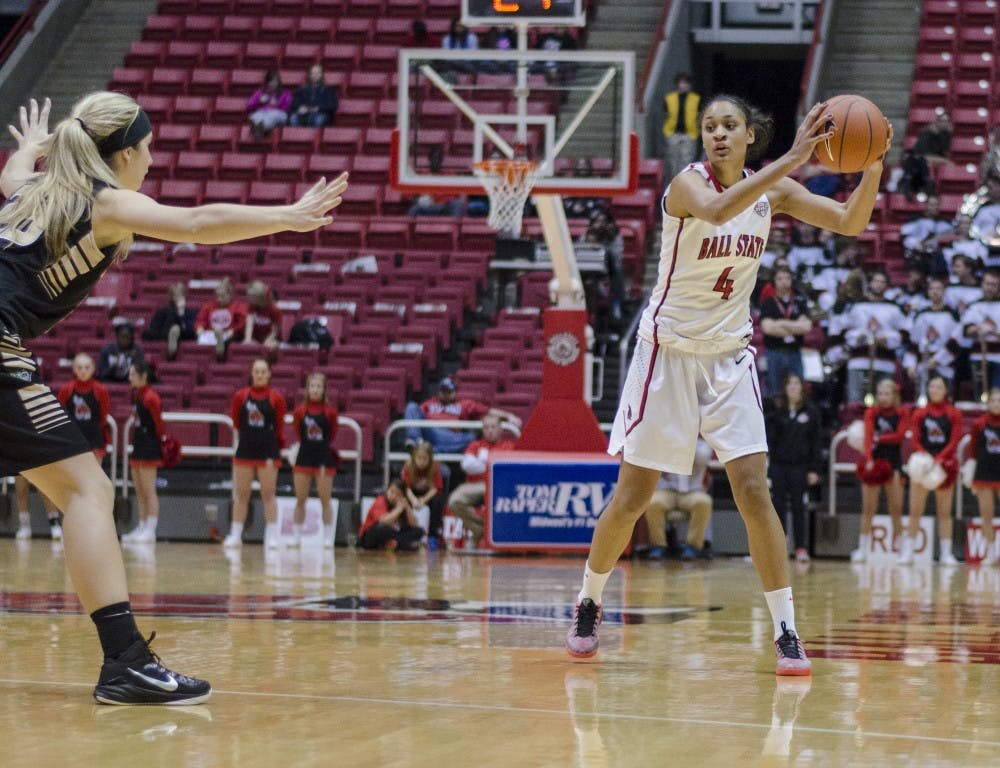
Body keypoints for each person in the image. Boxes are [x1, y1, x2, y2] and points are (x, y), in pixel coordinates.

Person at [0, 90, 343, 704]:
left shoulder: (34, 195)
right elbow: (196, 224)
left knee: (83, 490)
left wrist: (27, 148)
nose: (153, 161)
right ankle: (126, 662)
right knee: (89, 490)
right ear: (124, 153)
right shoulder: (103, 202)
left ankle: (126, 661)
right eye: (150, 150)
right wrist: (285, 215)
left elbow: (14, 176)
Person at [565, 94, 891, 675]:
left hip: (729, 356)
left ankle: (787, 630)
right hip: (666, 352)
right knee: (633, 497)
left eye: (729, 125)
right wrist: (793, 157)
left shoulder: (774, 190)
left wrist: (871, 169)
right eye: (709, 126)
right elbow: (717, 213)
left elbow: (850, 221)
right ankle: (589, 599)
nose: (717, 134)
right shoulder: (686, 187)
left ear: (749, 135)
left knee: (753, 489)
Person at [225, 358, 287, 550]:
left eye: (263, 371)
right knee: (241, 494)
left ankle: (272, 536)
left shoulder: (277, 398)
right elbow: (236, 422)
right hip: (245, 448)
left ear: (269, 374)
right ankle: (235, 534)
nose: (260, 375)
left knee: (268, 494)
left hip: (268, 449)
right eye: (256, 371)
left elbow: (279, 426)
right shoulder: (240, 396)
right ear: (251, 373)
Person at [899, 374, 962, 566]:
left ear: (946, 391)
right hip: (923, 464)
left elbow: (955, 440)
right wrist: (926, 459)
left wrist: (940, 460)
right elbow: (915, 440)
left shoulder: (954, 413)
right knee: (915, 510)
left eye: (938, 387)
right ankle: (908, 551)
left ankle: (945, 553)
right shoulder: (919, 413)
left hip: (944, 466)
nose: (934, 390)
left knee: (944, 512)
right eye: (932, 387)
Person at [765, 374, 823, 564]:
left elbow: (816, 443)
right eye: (789, 383)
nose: (793, 386)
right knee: (777, 506)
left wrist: (814, 469)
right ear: (784, 387)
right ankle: (779, 546)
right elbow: (769, 439)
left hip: (800, 467)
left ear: (802, 387)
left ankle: (800, 547)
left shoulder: (811, 411)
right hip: (778, 465)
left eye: (796, 383)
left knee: (799, 507)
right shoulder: (777, 411)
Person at [850, 379, 907, 563]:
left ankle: (900, 547)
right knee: (868, 507)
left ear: (894, 396)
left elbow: (898, 436)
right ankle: (862, 548)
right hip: (873, 462)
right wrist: (868, 459)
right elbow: (867, 438)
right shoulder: (871, 413)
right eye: (880, 394)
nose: (882, 397)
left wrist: (879, 438)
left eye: (887, 394)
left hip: (894, 463)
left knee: (896, 508)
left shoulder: (902, 413)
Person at [446, 413, 516, 547]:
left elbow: (508, 470)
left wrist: (483, 460)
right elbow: (467, 466)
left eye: (493, 427)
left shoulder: (509, 446)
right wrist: (493, 462)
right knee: (454, 501)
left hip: (499, 487)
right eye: (486, 427)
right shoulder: (475, 445)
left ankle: (483, 532)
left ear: (500, 429)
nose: (489, 430)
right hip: (476, 486)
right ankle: (481, 530)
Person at [403, 376, 521, 455]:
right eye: (442, 391)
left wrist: (509, 416)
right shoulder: (430, 403)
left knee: (471, 438)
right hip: (431, 432)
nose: (445, 394)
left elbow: (488, 411)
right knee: (411, 406)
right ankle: (415, 443)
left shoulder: (464, 404)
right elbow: (414, 414)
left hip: (452, 436)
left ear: (455, 392)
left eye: (448, 391)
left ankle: (430, 450)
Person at [639, 438, 713, 560]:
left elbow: (702, 459)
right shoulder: (663, 442)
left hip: (692, 492)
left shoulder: (703, 446)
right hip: (667, 490)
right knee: (653, 503)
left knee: (703, 502)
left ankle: (693, 546)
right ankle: (658, 546)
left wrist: (685, 442)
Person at [841, 270, 908, 404]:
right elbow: (844, 329)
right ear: (870, 283)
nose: (878, 285)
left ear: (887, 286)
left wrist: (888, 340)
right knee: (856, 402)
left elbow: (904, 333)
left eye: (882, 282)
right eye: (876, 281)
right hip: (859, 360)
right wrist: (857, 338)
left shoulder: (894, 308)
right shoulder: (856, 306)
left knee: (883, 404)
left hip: (884, 362)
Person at [290, 371, 339, 548]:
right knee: (300, 499)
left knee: (325, 499)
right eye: (312, 386)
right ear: (307, 389)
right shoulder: (300, 411)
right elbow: (298, 431)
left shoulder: (330, 413)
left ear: (324, 390)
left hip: (323, 457)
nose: (315, 389)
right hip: (304, 456)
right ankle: (296, 537)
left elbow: (332, 433)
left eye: (319, 386)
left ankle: (327, 538)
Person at [120, 359, 163, 544]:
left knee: (149, 490)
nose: (129, 378)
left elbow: (159, 426)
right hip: (138, 444)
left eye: (132, 375)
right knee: (138, 490)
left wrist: (158, 443)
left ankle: (151, 530)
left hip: (149, 446)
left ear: (143, 376)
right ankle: (142, 525)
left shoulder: (151, 397)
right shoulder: (138, 395)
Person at [759, 265, 812, 396]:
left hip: (795, 353)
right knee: (774, 392)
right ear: (774, 282)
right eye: (780, 278)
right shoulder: (768, 303)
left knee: (797, 392)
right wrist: (795, 326)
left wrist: (780, 323)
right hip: (774, 353)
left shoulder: (800, 302)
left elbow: (806, 327)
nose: (784, 281)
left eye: (787, 278)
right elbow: (767, 328)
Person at [904, 276, 958, 397]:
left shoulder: (952, 315)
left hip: (944, 365)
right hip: (923, 365)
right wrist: (910, 364)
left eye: (938, 289)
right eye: (932, 289)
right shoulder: (920, 315)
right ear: (927, 292)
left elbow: (956, 341)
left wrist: (937, 359)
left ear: (944, 292)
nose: (935, 292)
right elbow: (913, 342)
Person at [968, 387, 1000, 566]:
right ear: (988, 403)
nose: (997, 404)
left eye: (999, 400)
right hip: (984, 473)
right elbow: (973, 449)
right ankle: (990, 552)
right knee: (986, 515)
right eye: (993, 400)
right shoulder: (978, 423)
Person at [357, 478, 424, 551]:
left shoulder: (402, 503)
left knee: (419, 531)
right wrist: (399, 509)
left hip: (392, 535)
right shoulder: (380, 501)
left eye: (398, 494)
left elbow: (414, 524)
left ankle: (393, 544)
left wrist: (407, 507)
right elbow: (384, 522)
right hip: (369, 536)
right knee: (383, 528)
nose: (393, 496)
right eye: (391, 491)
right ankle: (399, 545)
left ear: (403, 496)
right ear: (387, 490)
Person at [401, 440, 445, 548]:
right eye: (419, 458)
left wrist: (423, 500)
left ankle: (433, 537)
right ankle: (405, 535)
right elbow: (405, 487)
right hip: (411, 493)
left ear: (430, 459)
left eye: (425, 459)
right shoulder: (408, 466)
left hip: (428, 493)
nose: (421, 462)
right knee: (402, 500)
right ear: (414, 458)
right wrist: (414, 500)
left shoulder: (435, 467)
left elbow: (435, 488)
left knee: (438, 501)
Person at [195, 276, 247, 361]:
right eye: (217, 296)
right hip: (211, 335)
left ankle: (221, 351)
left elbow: (242, 323)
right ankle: (218, 346)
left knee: (230, 340)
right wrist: (199, 328)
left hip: (229, 335)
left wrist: (234, 331)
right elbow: (201, 320)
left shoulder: (238, 306)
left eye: (222, 297)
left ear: (230, 295)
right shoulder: (208, 306)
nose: (219, 299)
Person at [661, 72, 701, 183]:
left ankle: (684, 184)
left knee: (686, 160)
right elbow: (666, 115)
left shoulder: (696, 99)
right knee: (673, 161)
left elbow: (699, 115)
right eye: (681, 83)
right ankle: (674, 184)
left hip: (689, 134)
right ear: (677, 84)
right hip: (673, 133)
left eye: (685, 83)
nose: (683, 85)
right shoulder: (669, 99)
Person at [142, 281, 196, 359]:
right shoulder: (162, 311)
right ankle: (172, 337)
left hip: (183, 335)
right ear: (170, 296)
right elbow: (154, 329)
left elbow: (191, 332)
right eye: (175, 295)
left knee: (180, 327)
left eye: (180, 295)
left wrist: (181, 314)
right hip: (164, 334)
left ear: (185, 295)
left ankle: (174, 335)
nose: (177, 297)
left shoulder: (190, 312)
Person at [288, 64, 338, 128]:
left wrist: (318, 108)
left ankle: (313, 137)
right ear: (310, 75)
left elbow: (333, 106)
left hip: (321, 114)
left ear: (321, 75)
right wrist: (300, 107)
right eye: (313, 73)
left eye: (318, 73)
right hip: (305, 114)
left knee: (319, 119)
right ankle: (298, 137)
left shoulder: (328, 90)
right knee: (293, 118)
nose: (315, 75)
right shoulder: (302, 89)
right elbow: (294, 103)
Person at [246, 69, 291, 141]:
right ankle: (258, 130)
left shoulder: (285, 93)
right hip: (262, 112)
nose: (272, 84)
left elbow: (288, 108)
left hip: (278, 112)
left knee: (271, 116)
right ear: (267, 82)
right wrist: (259, 101)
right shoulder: (260, 92)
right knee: (256, 115)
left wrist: (277, 104)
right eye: (270, 81)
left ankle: (258, 129)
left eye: (275, 81)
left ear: (278, 82)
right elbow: (249, 106)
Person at [243, 279, 281, 352]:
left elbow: (275, 332)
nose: (249, 299)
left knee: (270, 347)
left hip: (271, 339)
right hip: (256, 339)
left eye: (252, 297)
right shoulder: (251, 306)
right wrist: (248, 340)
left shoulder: (274, 310)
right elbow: (249, 325)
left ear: (260, 296)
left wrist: (267, 341)